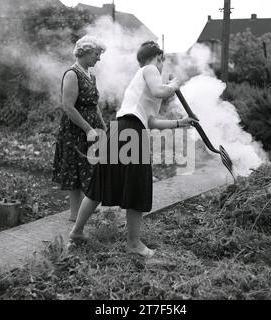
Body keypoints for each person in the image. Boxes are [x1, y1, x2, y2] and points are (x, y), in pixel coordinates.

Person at [69, 41, 195, 258]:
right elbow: (159, 91)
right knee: (137, 186)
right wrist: (175, 84)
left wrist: (180, 123)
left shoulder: (141, 79)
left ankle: (76, 232)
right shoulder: (150, 70)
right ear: (159, 57)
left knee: (100, 185)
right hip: (131, 132)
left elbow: (151, 121)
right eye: (162, 62)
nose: (162, 68)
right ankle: (134, 244)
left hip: (119, 129)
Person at [52, 35, 107, 222]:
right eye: (96, 54)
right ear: (84, 52)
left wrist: (101, 124)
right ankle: (75, 214)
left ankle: (86, 206)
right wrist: (87, 128)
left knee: (91, 167)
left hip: (92, 127)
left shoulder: (90, 75)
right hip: (76, 129)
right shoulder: (72, 74)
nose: (99, 58)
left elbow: (94, 104)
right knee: (76, 169)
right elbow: (68, 106)